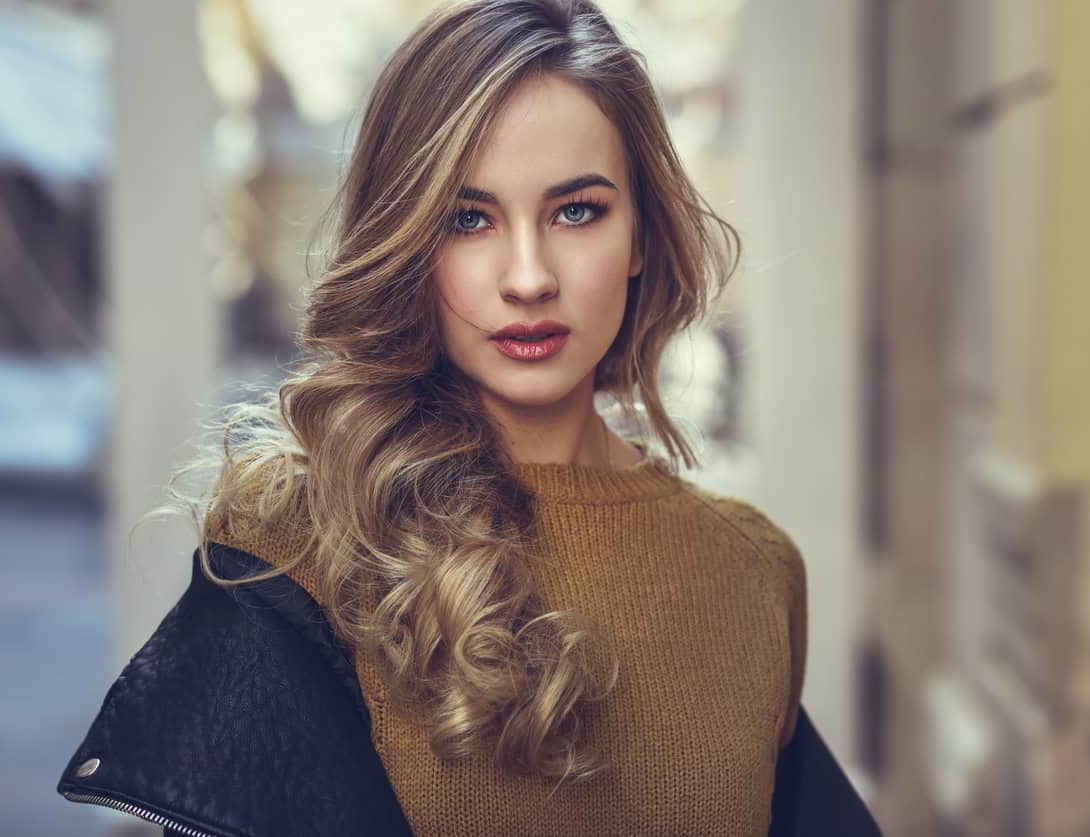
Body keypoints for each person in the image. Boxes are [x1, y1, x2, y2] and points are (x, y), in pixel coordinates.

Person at [57, 1, 878, 834]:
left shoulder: (751, 569)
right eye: (469, 218)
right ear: (410, 242)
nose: (528, 277)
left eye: (577, 210)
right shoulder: (295, 547)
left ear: (639, 237)